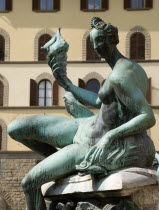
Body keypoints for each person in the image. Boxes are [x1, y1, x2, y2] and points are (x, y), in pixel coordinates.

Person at [7, 17, 156, 210]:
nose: (96, 47)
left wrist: (110, 136)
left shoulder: (122, 75)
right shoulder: (125, 68)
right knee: (15, 128)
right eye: (94, 42)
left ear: (113, 40)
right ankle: (59, 168)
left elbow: (148, 116)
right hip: (86, 125)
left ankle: (62, 165)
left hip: (91, 143)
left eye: (100, 41)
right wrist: (67, 83)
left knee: (29, 183)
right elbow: (99, 101)